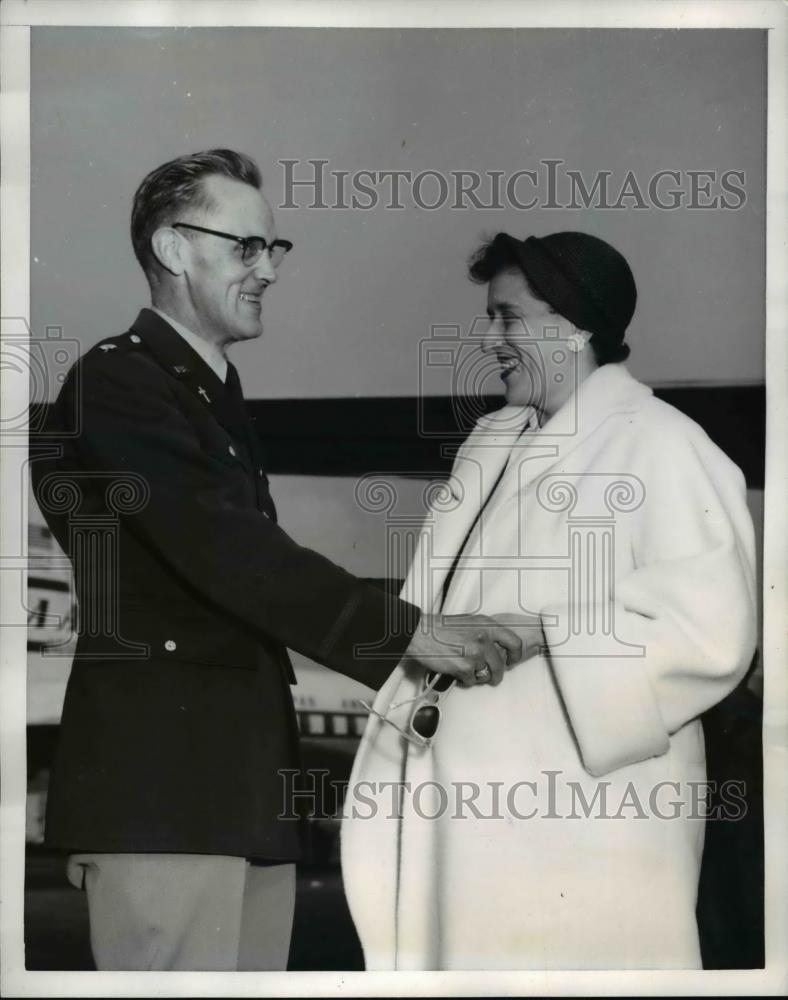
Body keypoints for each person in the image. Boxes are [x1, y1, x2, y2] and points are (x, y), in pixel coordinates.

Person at [30, 149, 523, 971]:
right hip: (168, 801)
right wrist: (409, 635)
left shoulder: (200, 393)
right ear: (173, 248)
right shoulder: (121, 385)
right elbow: (231, 554)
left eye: (274, 249)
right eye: (245, 247)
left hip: (231, 797)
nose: (268, 271)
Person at [341, 231, 758, 970]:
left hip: (578, 821)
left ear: (575, 328)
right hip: (463, 817)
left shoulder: (662, 444)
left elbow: (711, 630)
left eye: (509, 318)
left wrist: (545, 630)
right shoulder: (493, 443)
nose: (489, 338)